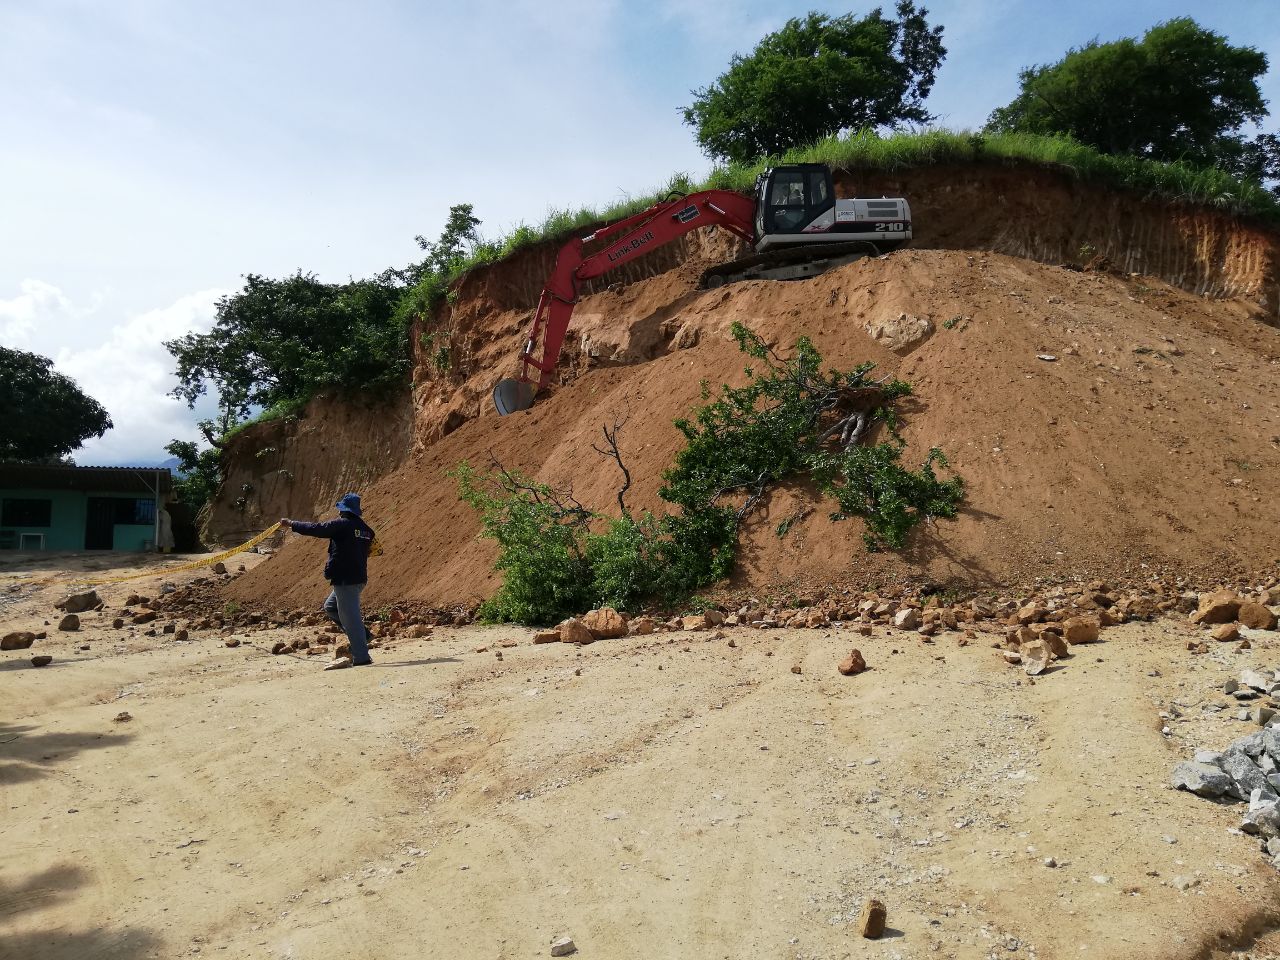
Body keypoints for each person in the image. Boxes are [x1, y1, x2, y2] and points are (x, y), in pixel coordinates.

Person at [282, 493, 377, 667]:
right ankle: (363, 636)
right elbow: (372, 549)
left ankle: (361, 657)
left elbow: (317, 528)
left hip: (345, 579)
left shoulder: (341, 525)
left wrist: (292, 524)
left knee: (351, 617)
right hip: (359, 578)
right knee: (331, 607)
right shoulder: (367, 530)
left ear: (343, 511)